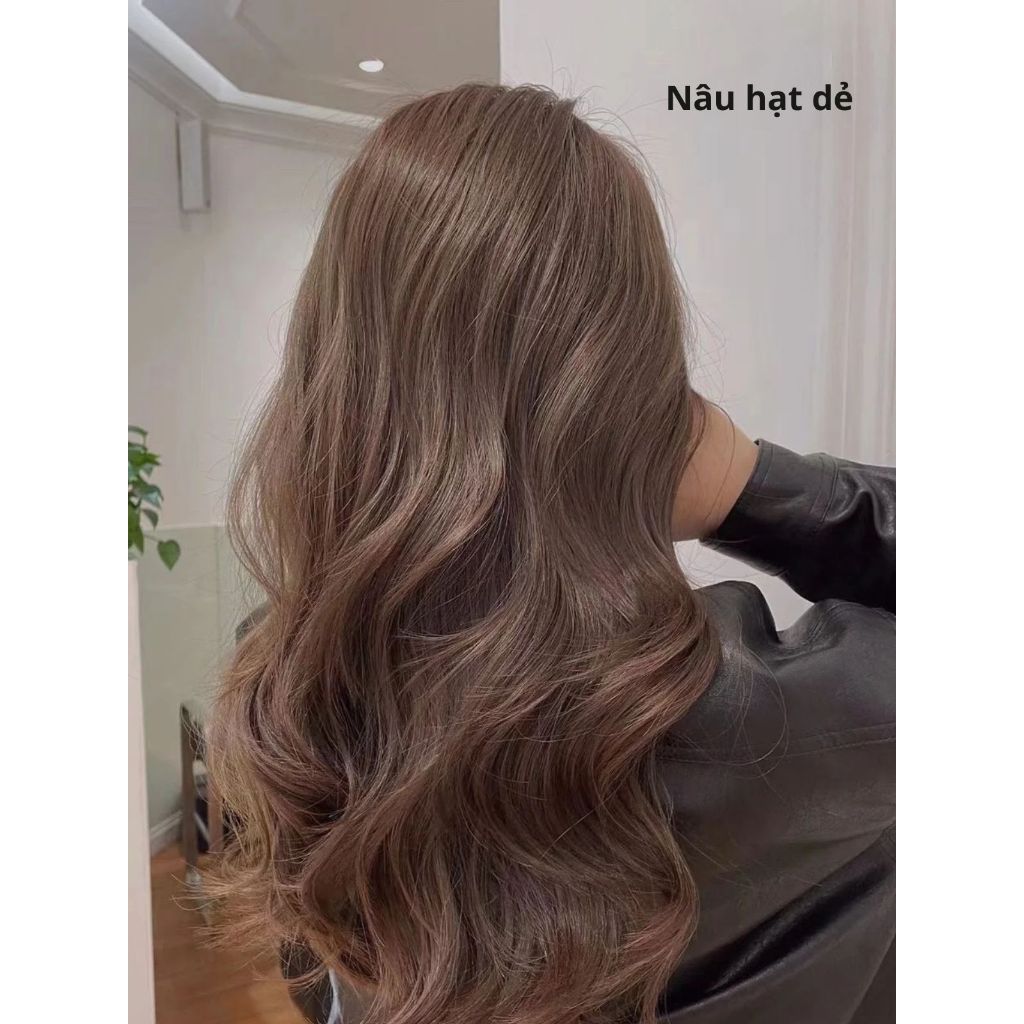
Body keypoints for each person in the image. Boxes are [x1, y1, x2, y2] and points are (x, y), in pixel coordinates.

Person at [207, 83, 895, 1024]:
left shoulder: (290, 698)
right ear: (636, 381)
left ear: (341, 368)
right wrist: (747, 479)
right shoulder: (805, 723)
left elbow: (316, 977)